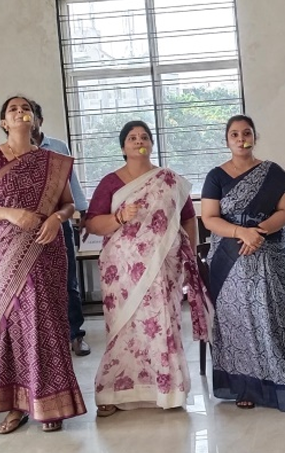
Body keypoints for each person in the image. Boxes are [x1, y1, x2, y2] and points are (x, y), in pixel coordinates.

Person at [0, 95, 86, 434]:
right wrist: (6, 213)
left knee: (47, 324)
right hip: (5, 255)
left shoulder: (51, 160)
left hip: (46, 250)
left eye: (26, 108)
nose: (20, 112)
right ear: (4, 122)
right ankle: (16, 407)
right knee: (14, 328)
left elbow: (68, 204)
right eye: (13, 109)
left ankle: (51, 404)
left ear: (35, 120)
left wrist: (56, 219)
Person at [84, 120, 211, 416]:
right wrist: (119, 218)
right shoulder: (110, 182)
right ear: (123, 147)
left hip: (163, 266)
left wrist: (188, 252)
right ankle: (115, 391)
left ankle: (167, 391)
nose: (139, 141)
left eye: (144, 137)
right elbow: (92, 223)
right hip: (121, 270)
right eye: (132, 137)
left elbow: (188, 217)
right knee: (123, 327)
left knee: (163, 322)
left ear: (152, 144)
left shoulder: (168, 180)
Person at [200, 115, 285, 412]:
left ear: (255, 137)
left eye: (247, 133)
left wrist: (258, 233)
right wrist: (241, 233)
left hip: (270, 249)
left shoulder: (272, 173)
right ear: (227, 140)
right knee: (237, 321)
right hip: (229, 256)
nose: (241, 139)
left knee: (272, 317)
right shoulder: (215, 176)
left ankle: (284, 382)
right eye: (235, 134)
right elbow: (209, 218)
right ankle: (245, 386)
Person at [29, 100, 91, 356]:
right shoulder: (9, 152)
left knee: (68, 280)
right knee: (36, 285)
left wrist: (83, 211)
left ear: (40, 120)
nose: (25, 119)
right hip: (27, 228)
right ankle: (46, 341)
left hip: (60, 220)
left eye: (30, 115)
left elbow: (71, 180)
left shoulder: (58, 147)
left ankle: (76, 335)